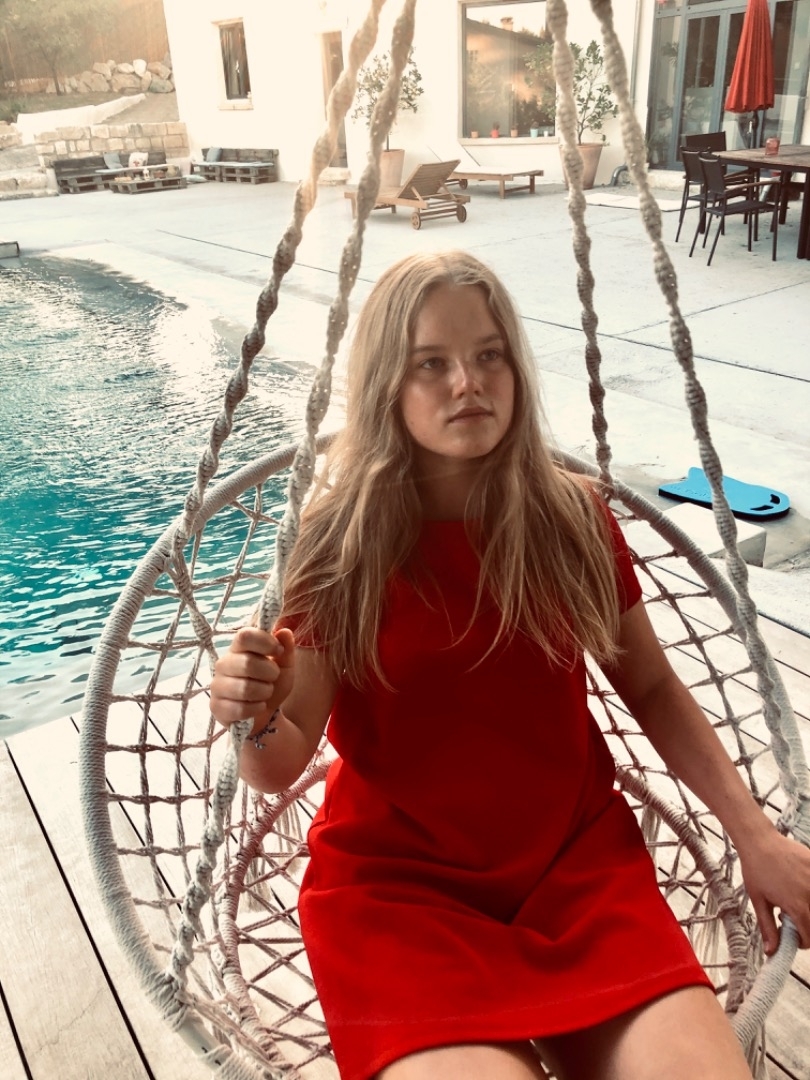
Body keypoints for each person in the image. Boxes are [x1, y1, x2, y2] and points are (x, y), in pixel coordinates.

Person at [210, 251, 810, 1080]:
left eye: (488, 354)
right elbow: (276, 762)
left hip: (577, 873)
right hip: (399, 898)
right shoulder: (338, 545)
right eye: (431, 363)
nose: (468, 383)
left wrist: (755, 834)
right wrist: (253, 712)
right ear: (386, 384)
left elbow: (650, 685)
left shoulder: (570, 516)